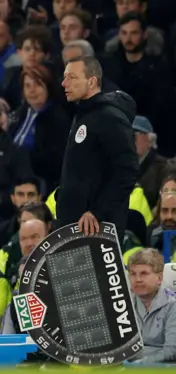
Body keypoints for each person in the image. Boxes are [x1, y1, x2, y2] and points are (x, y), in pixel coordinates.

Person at [58, 56, 138, 244]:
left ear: (92, 81)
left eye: (72, 77)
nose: (64, 83)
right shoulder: (83, 115)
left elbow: (127, 170)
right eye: (64, 77)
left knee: (96, 275)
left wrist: (98, 211)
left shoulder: (110, 117)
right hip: (75, 224)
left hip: (96, 227)